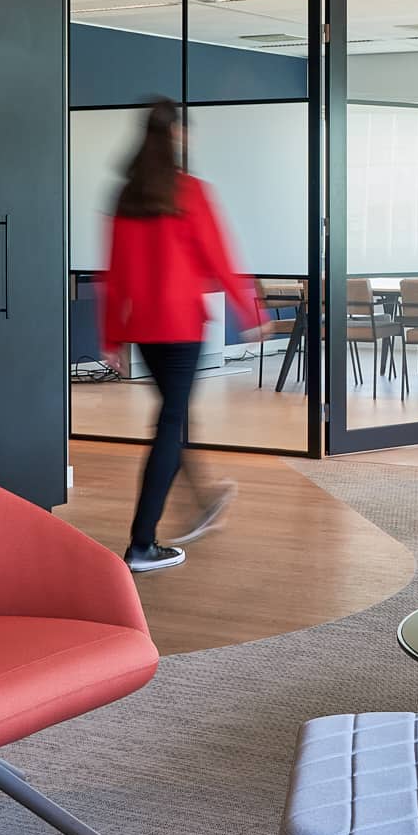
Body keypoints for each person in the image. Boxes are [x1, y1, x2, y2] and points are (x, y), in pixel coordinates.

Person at [101, 99, 263, 574]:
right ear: (177, 136)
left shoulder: (127, 197)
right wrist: (251, 310)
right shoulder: (189, 191)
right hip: (182, 327)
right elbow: (219, 255)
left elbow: (116, 274)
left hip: (146, 330)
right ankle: (141, 542)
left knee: (174, 416)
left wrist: (112, 337)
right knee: (170, 423)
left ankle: (203, 500)